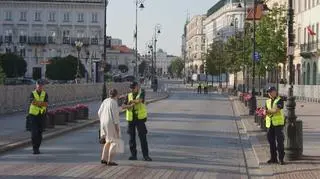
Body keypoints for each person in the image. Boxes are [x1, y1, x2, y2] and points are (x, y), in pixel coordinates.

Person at [122, 81, 152, 161]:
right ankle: (133, 155)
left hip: (140, 119)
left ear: (137, 87)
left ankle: (146, 156)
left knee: (143, 137)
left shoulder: (141, 93)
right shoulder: (128, 95)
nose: (132, 90)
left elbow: (139, 100)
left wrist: (131, 102)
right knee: (131, 138)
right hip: (131, 119)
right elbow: (123, 106)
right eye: (131, 88)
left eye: (133, 88)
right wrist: (129, 105)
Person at [98, 89, 122, 166]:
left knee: (108, 140)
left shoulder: (105, 100)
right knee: (114, 141)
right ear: (116, 95)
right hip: (110, 122)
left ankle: (103, 158)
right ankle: (110, 161)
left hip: (103, 122)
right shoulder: (114, 102)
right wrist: (117, 128)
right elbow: (115, 116)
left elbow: (99, 112)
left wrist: (102, 120)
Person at [265, 86, 285, 165]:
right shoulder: (267, 101)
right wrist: (264, 112)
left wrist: (266, 111)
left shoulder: (279, 100)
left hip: (278, 124)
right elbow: (267, 111)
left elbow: (276, 110)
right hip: (270, 124)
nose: (269, 93)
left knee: (280, 142)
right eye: (268, 92)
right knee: (271, 142)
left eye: (271, 91)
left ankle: (281, 159)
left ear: (275, 91)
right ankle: (273, 158)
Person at [28, 80, 48, 154]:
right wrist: (41, 103)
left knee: (40, 133)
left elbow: (46, 104)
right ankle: (34, 148)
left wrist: (38, 103)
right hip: (33, 115)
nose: (40, 86)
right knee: (34, 132)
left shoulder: (45, 94)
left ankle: (37, 147)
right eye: (38, 85)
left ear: (43, 86)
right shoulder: (32, 93)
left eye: (41, 85)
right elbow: (32, 102)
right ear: (36, 85)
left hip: (41, 115)